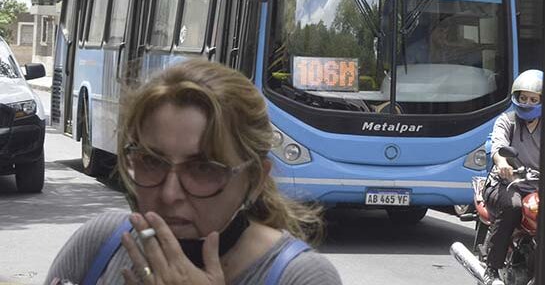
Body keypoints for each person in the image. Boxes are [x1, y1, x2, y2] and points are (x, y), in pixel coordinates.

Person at [46, 60, 342, 285]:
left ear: (254, 179)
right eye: (151, 161)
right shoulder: (101, 243)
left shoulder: (301, 277)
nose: (169, 193)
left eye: (203, 169)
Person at [481, 69, 543, 285]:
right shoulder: (507, 121)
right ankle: (492, 267)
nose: (527, 102)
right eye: (523, 97)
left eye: (533, 99)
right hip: (505, 184)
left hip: (538, 188)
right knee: (513, 207)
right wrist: (503, 164)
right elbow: (498, 147)